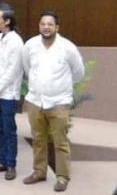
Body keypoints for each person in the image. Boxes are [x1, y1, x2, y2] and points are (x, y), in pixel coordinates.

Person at [22, 11, 85, 193]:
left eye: (50, 24)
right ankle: (39, 171)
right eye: (43, 24)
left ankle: (62, 177)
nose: (46, 27)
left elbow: (78, 73)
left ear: (57, 27)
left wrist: (61, 89)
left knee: (60, 142)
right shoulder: (31, 45)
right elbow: (27, 68)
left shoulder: (68, 47)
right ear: (39, 26)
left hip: (59, 103)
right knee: (38, 139)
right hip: (35, 101)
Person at [0, 4, 24, 181]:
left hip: (8, 93)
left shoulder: (16, 41)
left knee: (9, 129)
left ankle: (10, 164)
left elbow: (13, 70)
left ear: (7, 21)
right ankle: (1, 160)